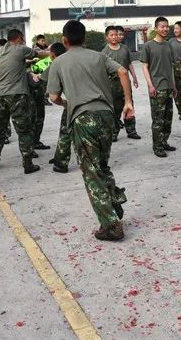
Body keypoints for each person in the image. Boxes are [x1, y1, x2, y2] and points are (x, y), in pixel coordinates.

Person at [47, 20, 135, 241]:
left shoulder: (59, 62)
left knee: (91, 172)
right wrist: (127, 102)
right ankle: (113, 202)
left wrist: (68, 104)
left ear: (64, 40)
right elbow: (123, 71)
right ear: (85, 38)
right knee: (102, 165)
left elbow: (53, 97)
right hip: (106, 116)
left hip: (83, 119)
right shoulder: (99, 56)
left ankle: (111, 225)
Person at [0, 29, 47, 173]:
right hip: (17, 95)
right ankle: (28, 164)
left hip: (0, 95)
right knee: (24, 129)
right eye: (22, 39)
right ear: (18, 39)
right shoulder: (20, 49)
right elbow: (39, 54)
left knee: (0, 127)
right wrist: (53, 53)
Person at [140, 17, 177, 157]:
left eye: (167, 26)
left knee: (168, 118)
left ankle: (164, 141)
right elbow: (145, 66)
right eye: (162, 26)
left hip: (168, 87)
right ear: (156, 28)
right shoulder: (148, 46)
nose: (165, 29)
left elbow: (171, 66)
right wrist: (150, 85)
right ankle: (157, 147)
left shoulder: (169, 45)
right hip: (157, 87)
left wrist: (174, 85)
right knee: (158, 119)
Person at [102, 26, 141, 141]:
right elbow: (102, 71)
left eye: (116, 34)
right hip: (112, 84)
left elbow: (129, 64)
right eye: (111, 35)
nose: (114, 37)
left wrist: (134, 78)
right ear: (107, 37)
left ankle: (131, 131)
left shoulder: (124, 48)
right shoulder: (104, 52)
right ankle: (114, 133)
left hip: (125, 84)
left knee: (129, 105)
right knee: (114, 109)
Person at [43, 43, 72, 173]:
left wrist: (64, 103)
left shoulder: (56, 64)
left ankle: (61, 163)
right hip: (96, 102)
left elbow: (53, 96)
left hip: (73, 103)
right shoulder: (92, 57)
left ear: (52, 55)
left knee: (65, 132)